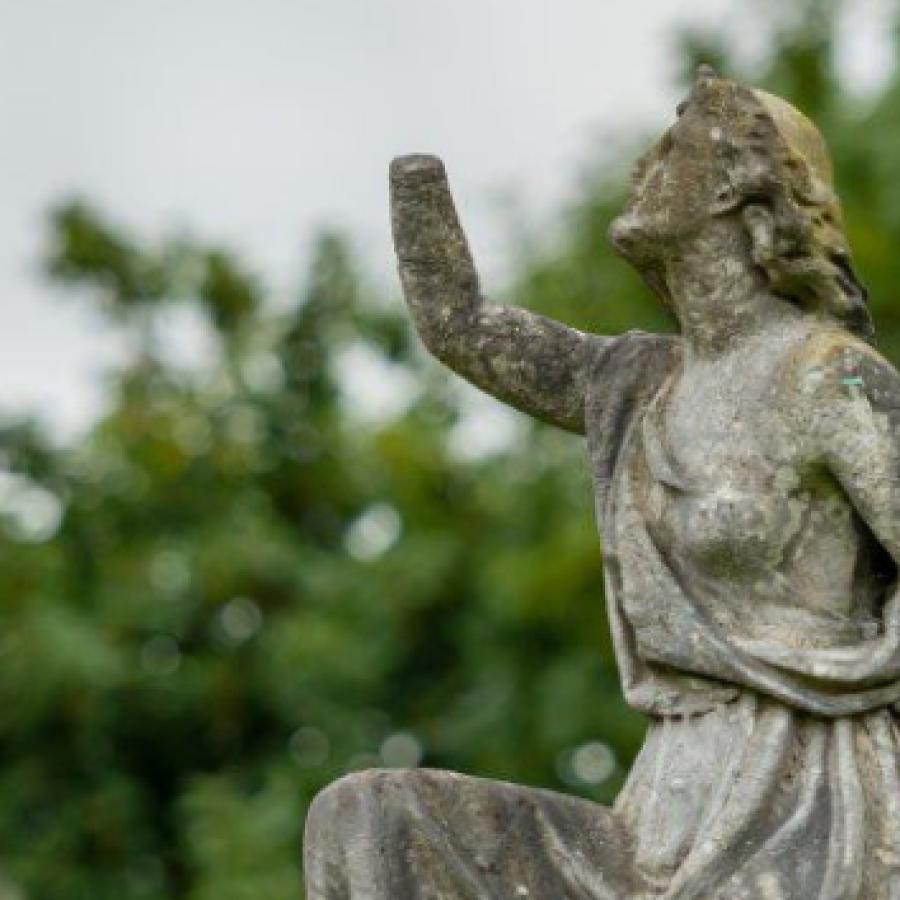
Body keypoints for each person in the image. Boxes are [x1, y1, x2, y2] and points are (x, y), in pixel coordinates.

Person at [304, 67, 900, 899]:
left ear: (741, 186)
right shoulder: (637, 381)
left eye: (676, 141)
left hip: (809, 804)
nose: (644, 164)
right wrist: (413, 172)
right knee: (368, 817)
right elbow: (461, 325)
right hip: (662, 804)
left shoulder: (827, 380)